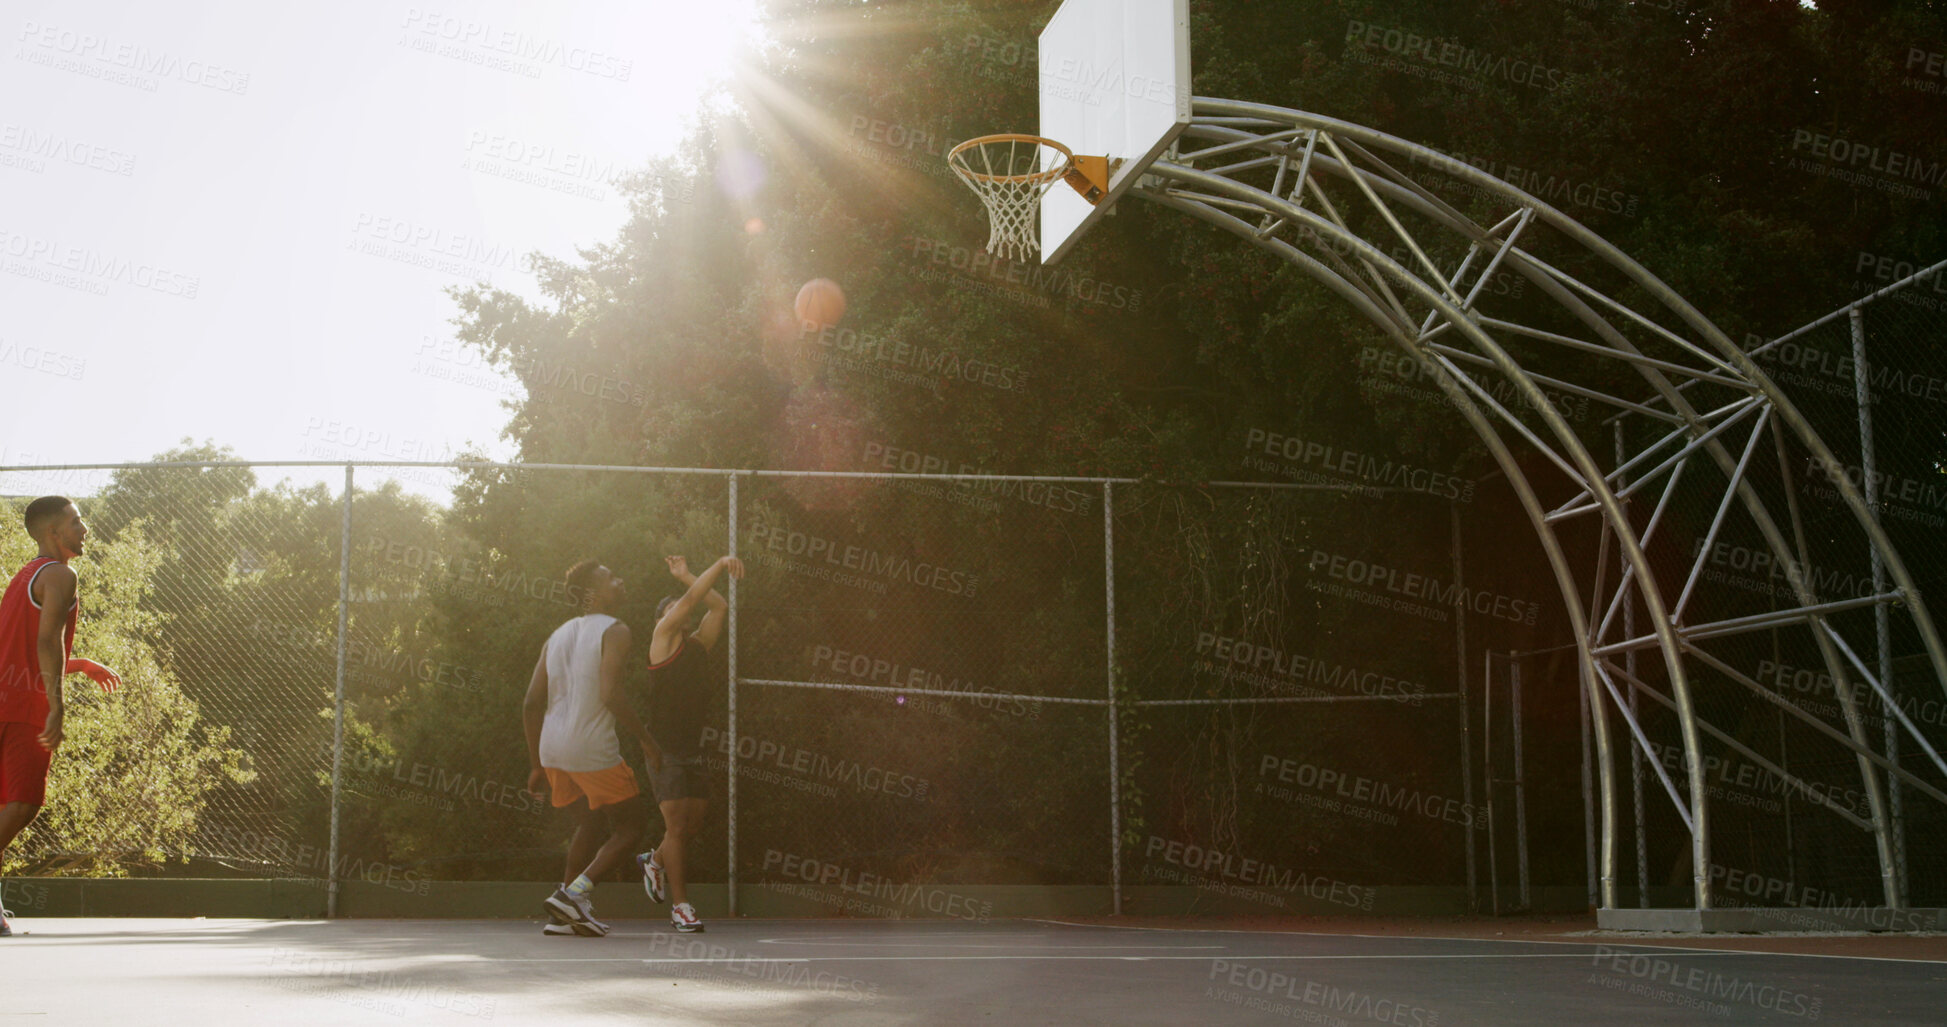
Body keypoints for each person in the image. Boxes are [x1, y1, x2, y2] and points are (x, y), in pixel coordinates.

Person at [0, 497, 120, 938]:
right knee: (23, 805)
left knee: (3, 809)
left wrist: (81, 663)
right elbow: (46, 642)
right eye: (76, 521)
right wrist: (57, 705)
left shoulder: (24, 577)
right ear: (54, 532)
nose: (84, 528)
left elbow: (21, 652)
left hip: (7, 700)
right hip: (24, 708)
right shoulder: (61, 575)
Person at [523, 559, 659, 937]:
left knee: (589, 822)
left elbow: (531, 703)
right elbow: (610, 692)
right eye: (611, 578)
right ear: (593, 593)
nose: (621, 580)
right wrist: (646, 740)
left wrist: (536, 764)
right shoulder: (615, 630)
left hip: (552, 748)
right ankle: (575, 893)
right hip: (590, 748)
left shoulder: (556, 636)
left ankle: (564, 914)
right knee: (632, 826)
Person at [636, 553, 741, 933]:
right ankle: (681, 907)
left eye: (676, 607)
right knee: (677, 826)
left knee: (690, 825)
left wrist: (686, 575)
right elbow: (693, 601)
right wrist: (720, 563)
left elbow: (718, 604)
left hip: (693, 748)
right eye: (669, 610)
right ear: (661, 619)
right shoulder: (661, 641)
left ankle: (655, 860)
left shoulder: (697, 646)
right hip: (664, 748)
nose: (678, 611)